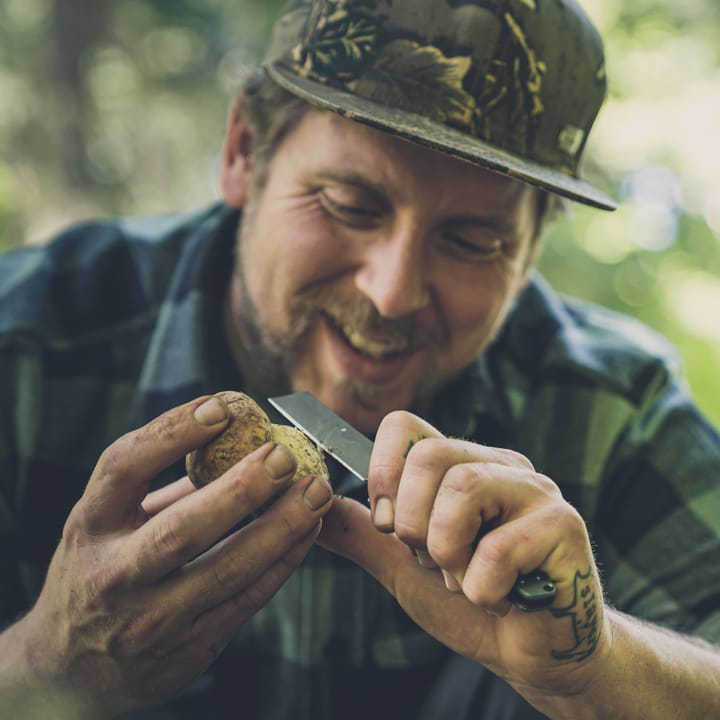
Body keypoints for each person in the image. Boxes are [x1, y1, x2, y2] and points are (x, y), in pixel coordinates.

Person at [1, 0, 719, 717]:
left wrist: (597, 671)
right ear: (243, 153)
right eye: (349, 204)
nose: (393, 292)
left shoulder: (617, 412)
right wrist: (41, 661)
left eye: (471, 242)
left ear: (531, 254)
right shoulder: (26, 349)